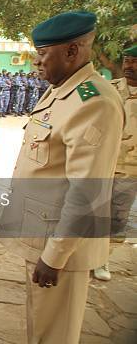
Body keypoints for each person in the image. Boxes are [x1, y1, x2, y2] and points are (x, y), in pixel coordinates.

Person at [0, 11, 123, 344]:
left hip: (58, 246)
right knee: (41, 325)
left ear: (72, 51)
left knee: (54, 333)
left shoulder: (93, 102)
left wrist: (55, 256)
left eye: (43, 54)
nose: (37, 63)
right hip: (42, 231)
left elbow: (86, 193)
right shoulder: (61, 90)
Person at [93, 44, 137, 281]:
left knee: (117, 217)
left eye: (135, 62)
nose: (130, 66)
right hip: (99, 163)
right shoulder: (107, 89)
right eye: (128, 60)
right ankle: (85, 253)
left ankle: (102, 259)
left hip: (130, 170)